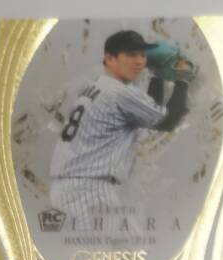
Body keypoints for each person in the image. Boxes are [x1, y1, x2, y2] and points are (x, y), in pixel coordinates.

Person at [48, 28, 194, 225]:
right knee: (130, 241)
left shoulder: (96, 87)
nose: (139, 61)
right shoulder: (120, 93)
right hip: (89, 191)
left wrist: (157, 76)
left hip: (69, 187)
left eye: (142, 55)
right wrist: (183, 78)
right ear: (109, 59)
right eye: (131, 54)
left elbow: (148, 114)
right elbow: (168, 121)